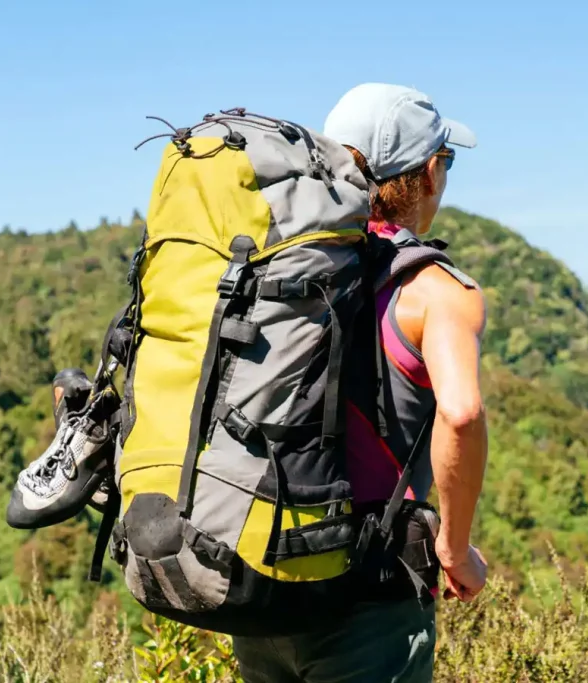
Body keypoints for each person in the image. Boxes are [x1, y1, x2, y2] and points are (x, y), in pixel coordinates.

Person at [231, 83, 490, 683]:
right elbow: (460, 414)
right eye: (446, 162)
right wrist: (453, 549)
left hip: (264, 585)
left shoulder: (275, 270)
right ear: (427, 173)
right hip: (367, 604)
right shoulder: (435, 292)